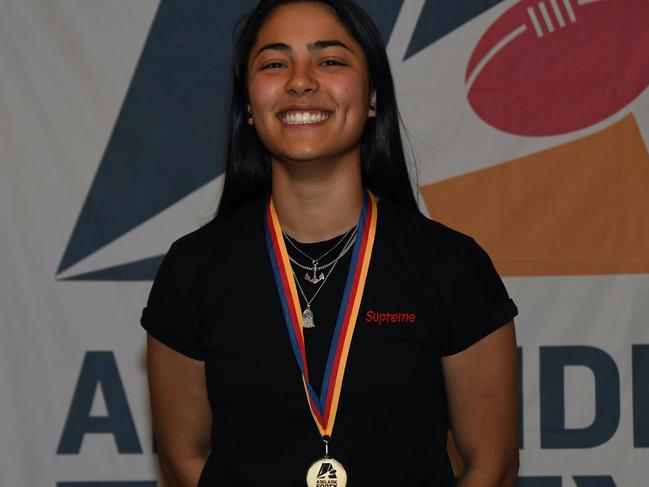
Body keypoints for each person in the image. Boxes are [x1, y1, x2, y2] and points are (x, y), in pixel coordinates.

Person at [141, 1, 520, 486]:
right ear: (249, 107)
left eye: (331, 60)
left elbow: (493, 465)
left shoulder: (451, 266)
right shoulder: (193, 270)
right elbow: (183, 460)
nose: (300, 81)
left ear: (372, 97)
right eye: (275, 63)